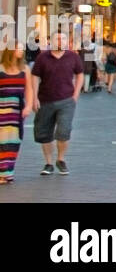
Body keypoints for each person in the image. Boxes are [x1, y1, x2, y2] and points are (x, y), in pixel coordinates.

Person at [31, 30, 84, 174]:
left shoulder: (73, 57)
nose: (60, 42)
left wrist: (76, 94)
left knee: (63, 131)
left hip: (66, 100)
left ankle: (61, 159)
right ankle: (48, 163)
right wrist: (34, 97)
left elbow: (80, 74)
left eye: (63, 39)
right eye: (57, 39)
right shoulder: (43, 58)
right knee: (44, 132)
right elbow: (35, 76)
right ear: (51, 41)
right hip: (45, 100)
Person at [0, 48, 34, 184]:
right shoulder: (1, 69)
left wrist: (29, 106)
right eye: (18, 48)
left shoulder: (25, 69)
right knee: (2, 142)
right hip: (2, 110)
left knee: (13, 142)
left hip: (16, 111)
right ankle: (3, 173)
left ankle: (8, 173)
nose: (21, 50)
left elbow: (29, 89)